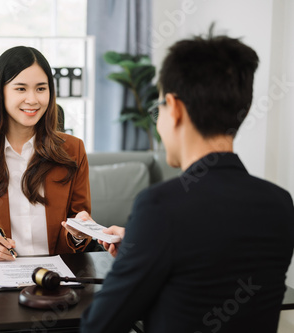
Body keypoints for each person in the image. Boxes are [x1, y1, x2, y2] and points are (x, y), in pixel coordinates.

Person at [80, 31, 294, 332]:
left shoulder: (160, 207)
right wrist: (142, 244)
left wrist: (147, 242)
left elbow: (99, 326)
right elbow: (211, 260)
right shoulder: (280, 203)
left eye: (159, 109)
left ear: (175, 107)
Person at [0, 46, 92, 261]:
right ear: (0, 92)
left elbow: (79, 220)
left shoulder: (73, 149)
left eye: (41, 89)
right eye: (20, 89)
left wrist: (79, 234)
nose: (33, 100)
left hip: (57, 276)